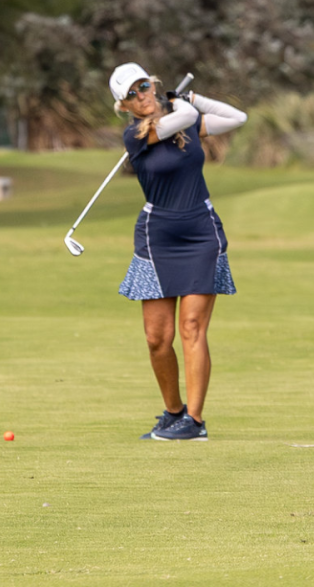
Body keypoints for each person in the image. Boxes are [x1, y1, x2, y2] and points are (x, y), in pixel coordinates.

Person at [109, 63, 248, 441]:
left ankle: (196, 420)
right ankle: (174, 412)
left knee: (191, 328)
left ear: (151, 84)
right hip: (157, 239)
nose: (142, 96)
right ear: (124, 105)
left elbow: (238, 117)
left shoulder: (184, 121)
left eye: (144, 86)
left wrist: (194, 98)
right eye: (132, 94)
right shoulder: (137, 134)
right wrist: (179, 104)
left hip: (201, 233)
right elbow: (182, 116)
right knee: (157, 338)